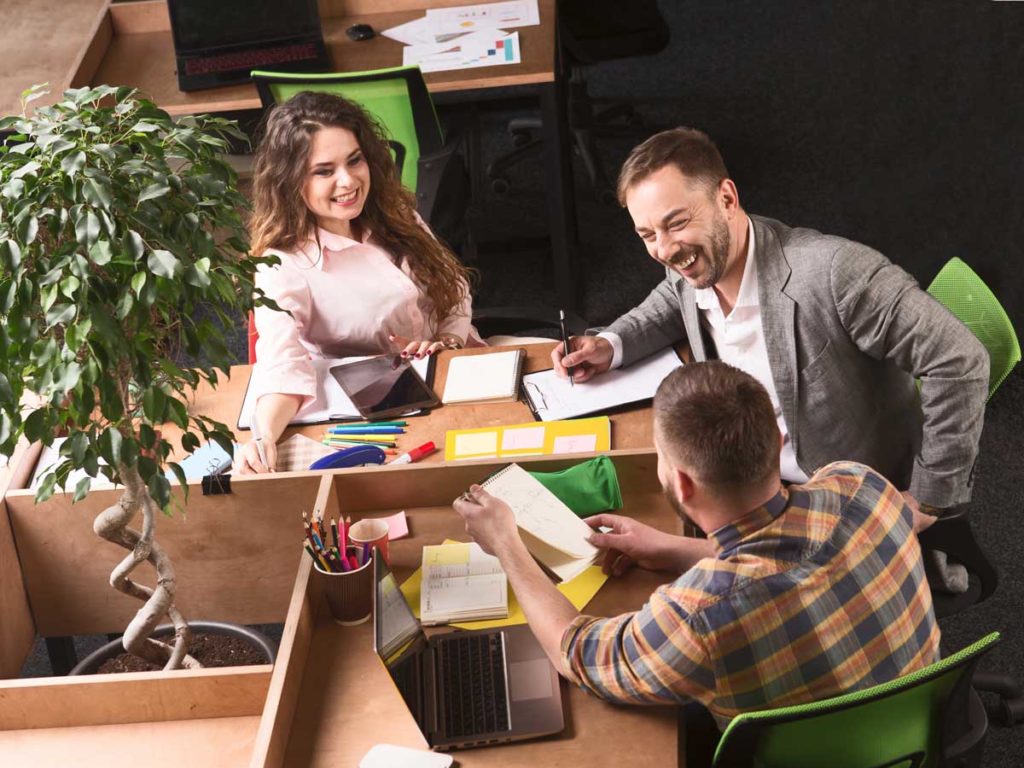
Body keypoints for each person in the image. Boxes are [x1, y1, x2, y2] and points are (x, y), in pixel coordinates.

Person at [453, 362, 940, 727]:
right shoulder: (861, 486)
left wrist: (507, 544)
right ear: (778, 438)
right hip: (916, 732)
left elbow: (575, 652)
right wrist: (673, 548)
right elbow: (791, 561)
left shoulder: (698, 615)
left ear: (681, 485)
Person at [551, 127, 988, 533]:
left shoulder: (836, 274)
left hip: (840, 507)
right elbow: (672, 297)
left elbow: (959, 360)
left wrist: (929, 501)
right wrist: (610, 343)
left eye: (677, 223)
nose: (664, 250)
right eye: (647, 234)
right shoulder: (695, 264)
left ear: (726, 198)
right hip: (751, 486)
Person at [238, 91, 482, 473]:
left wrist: (448, 340)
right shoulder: (282, 262)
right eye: (324, 171)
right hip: (385, 411)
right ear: (290, 181)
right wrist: (263, 436)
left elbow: (454, 289)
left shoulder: (391, 212)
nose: (348, 180)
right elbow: (283, 364)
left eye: (355, 161)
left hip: (455, 367)